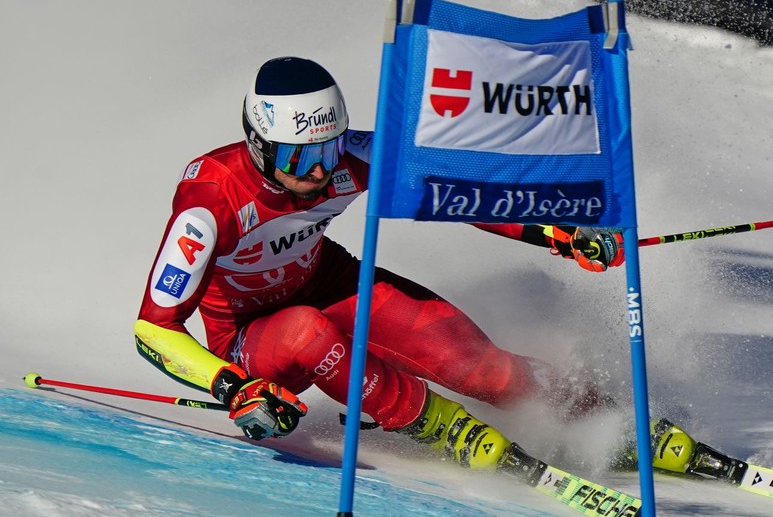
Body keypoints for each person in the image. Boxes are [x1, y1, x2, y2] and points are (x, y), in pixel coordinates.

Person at [134, 56, 626, 471]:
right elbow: (154, 328)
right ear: (258, 145)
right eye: (299, 158)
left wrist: (552, 230)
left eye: (328, 149)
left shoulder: (350, 157)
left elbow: (453, 191)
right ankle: (437, 423)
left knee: (482, 369)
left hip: (327, 283)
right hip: (251, 341)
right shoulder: (211, 199)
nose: (321, 170)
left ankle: (590, 411)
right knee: (305, 331)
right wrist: (233, 387)